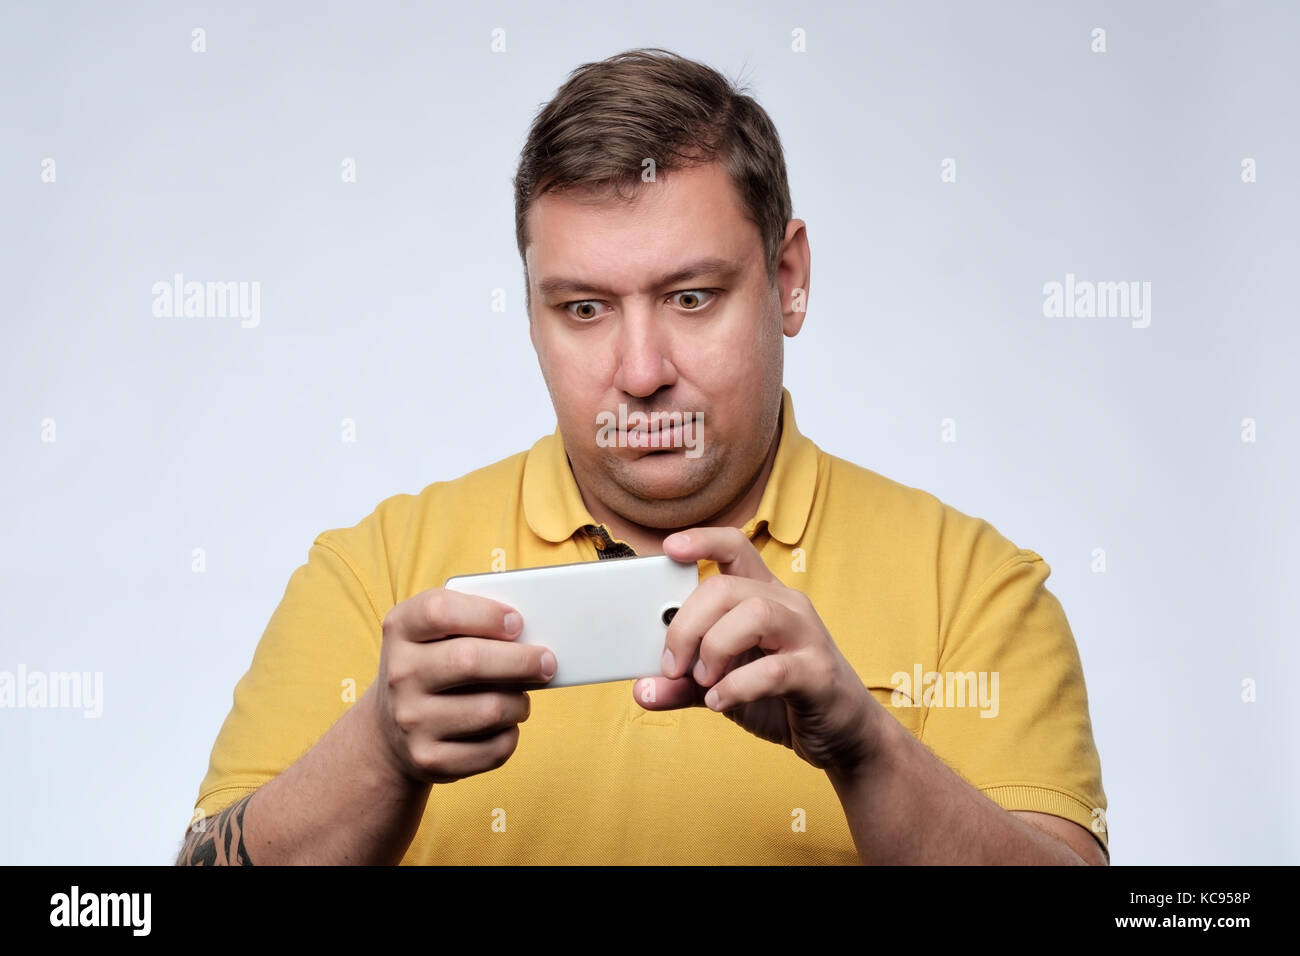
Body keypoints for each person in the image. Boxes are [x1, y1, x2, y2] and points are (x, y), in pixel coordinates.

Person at [177, 47, 1108, 866]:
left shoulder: (976, 589)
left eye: (692, 297)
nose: (641, 372)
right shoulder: (371, 577)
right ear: (534, 311)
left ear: (788, 280)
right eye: (584, 308)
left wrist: (864, 747)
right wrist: (378, 749)